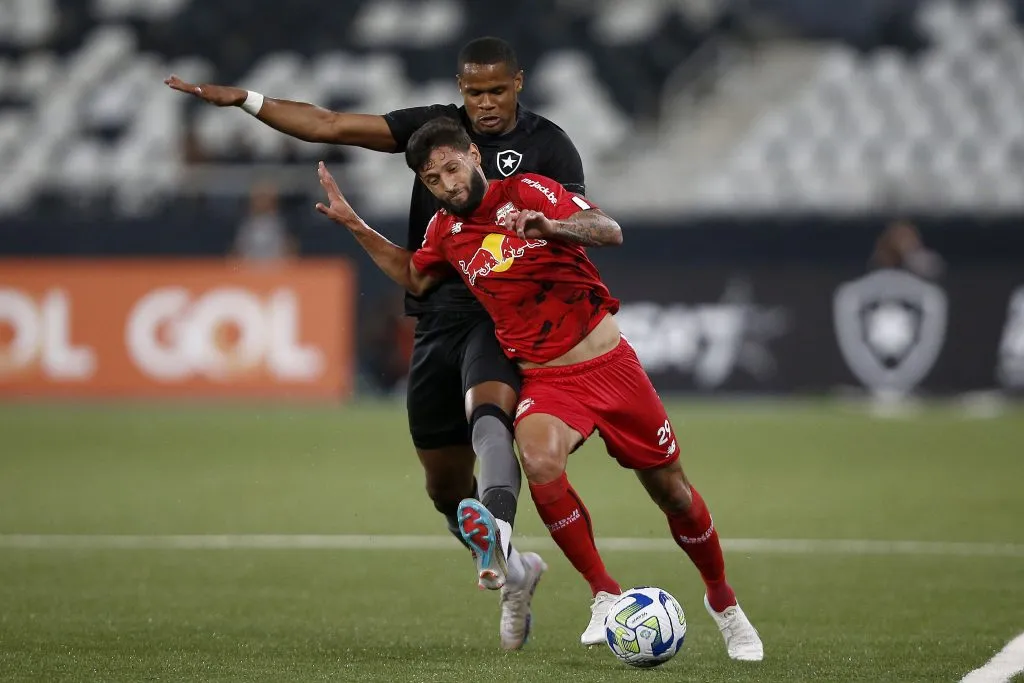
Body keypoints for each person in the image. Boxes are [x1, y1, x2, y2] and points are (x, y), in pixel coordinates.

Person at [165, 37, 585, 651]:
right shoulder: (434, 131)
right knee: (443, 486)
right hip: (436, 317)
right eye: (475, 92)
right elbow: (328, 124)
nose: (487, 103)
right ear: (460, 89)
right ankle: (514, 569)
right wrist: (247, 101)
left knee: (488, 418)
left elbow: (575, 226)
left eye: (497, 90)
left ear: (519, 83)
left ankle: (497, 525)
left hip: (499, 316)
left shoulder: (550, 146)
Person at [313, 116, 765, 661]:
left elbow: (609, 230)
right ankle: (604, 594)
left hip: (610, 366)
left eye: (453, 168)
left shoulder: (526, 189)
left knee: (672, 492)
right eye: (433, 180)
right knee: (540, 460)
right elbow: (414, 277)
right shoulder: (446, 233)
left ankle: (724, 602)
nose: (448, 185)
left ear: (474, 156)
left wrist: (553, 227)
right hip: (548, 380)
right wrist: (355, 224)